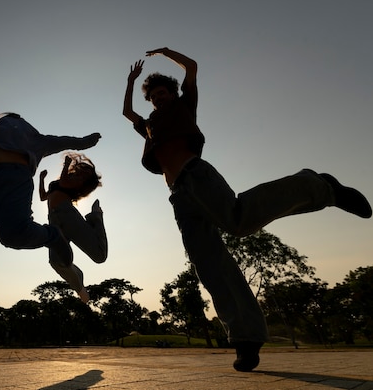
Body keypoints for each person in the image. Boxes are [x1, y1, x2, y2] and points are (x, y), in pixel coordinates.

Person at [122, 47, 371, 372]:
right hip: (178, 196)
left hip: (197, 175)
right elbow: (128, 112)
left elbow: (192, 67)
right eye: (153, 97)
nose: (158, 99)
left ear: (173, 93)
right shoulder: (150, 125)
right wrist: (131, 80)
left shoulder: (185, 105)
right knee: (208, 262)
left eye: (163, 93)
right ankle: (246, 338)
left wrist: (165, 52)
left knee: (237, 219)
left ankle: (318, 187)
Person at [0, 79, 101, 321]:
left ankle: (52, 235)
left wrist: (86, 141)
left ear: (27, 128)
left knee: (12, 235)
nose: (13, 124)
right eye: (8, 120)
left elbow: (64, 141)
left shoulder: (37, 139)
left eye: (18, 121)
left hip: (15, 179)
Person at [38, 152, 107, 303]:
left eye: (85, 177)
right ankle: (79, 285)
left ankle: (96, 217)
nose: (81, 176)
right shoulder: (61, 182)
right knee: (56, 262)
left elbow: (63, 182)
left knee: (99, 256)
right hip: (54, 221)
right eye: (82, 172)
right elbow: (43, 197)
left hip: (68, 216)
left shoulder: (72, 184)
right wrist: (41, 179)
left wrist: (66, 164)